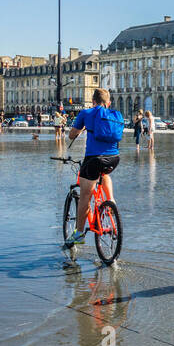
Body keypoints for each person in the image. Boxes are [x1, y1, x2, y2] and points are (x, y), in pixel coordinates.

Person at [63, 88, 125, 250]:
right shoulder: (115, 115)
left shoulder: (86, 113)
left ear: (93, 101)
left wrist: (81, 128)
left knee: (85, 196)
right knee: (104, 174)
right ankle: (111, 201)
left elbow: (71, 135)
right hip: (114, 158)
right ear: (108, 102)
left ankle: (78, 234)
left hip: (93, 159)